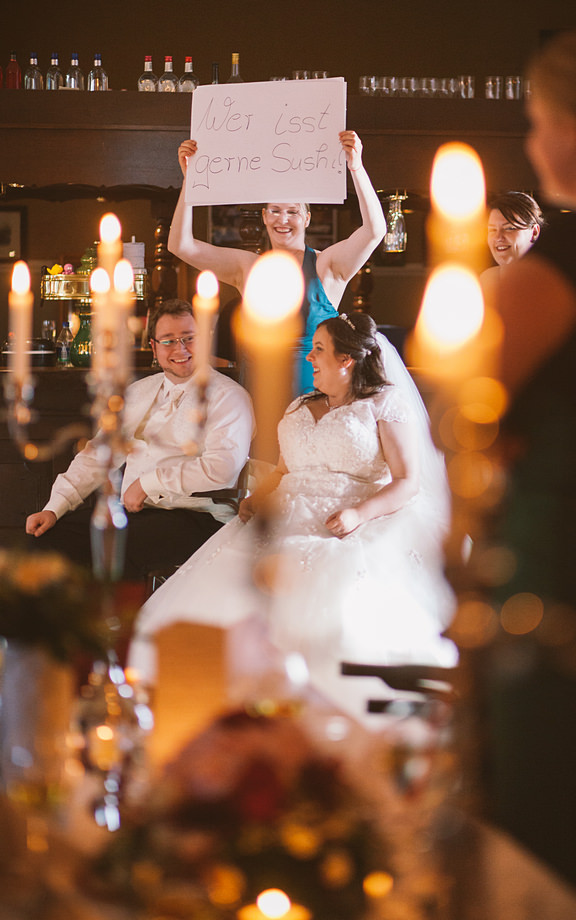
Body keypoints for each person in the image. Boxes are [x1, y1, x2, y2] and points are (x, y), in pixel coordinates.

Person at [128, 312, 457, 723]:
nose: (309, 358)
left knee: (325, 592)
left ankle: (310, 699)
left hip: (351, 518)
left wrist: (358, 513)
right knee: (234, 584)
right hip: (285, 513)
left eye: (319, 349)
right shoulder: (301, 406)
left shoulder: (383, 405)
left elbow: (407, 481)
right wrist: (258, 496)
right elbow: (285, 470)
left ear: (347, 359)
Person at [466, 24, 576, 916]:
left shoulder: (562, 266)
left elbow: (462, 415)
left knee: (555, 797)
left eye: (533, 121)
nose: (529, 141)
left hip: (570, 560)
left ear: (570, 132)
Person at [25, 299, 254, 581]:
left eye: (189, 338)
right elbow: (97, 456)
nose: (180, 349)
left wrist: (148, 483)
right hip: (133, 515)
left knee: (113, 552)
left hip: (198, 517)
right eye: (168, 341)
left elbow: (222, 469)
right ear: (154, 347)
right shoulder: (136, 392)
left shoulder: (229, 397)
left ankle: (117, 609)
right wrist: (54, 507)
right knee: (47, 542)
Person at [168, 130, 387, 394]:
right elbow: (180, 245)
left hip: (313, 399)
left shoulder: (326, 266)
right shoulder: (247, 268)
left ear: (307, 219)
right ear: (264, 216)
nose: (282, 220)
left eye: (293, 212)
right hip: (257, 395)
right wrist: (190, 181)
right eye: (275, 211)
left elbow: (374, 230)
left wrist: (356, 167)